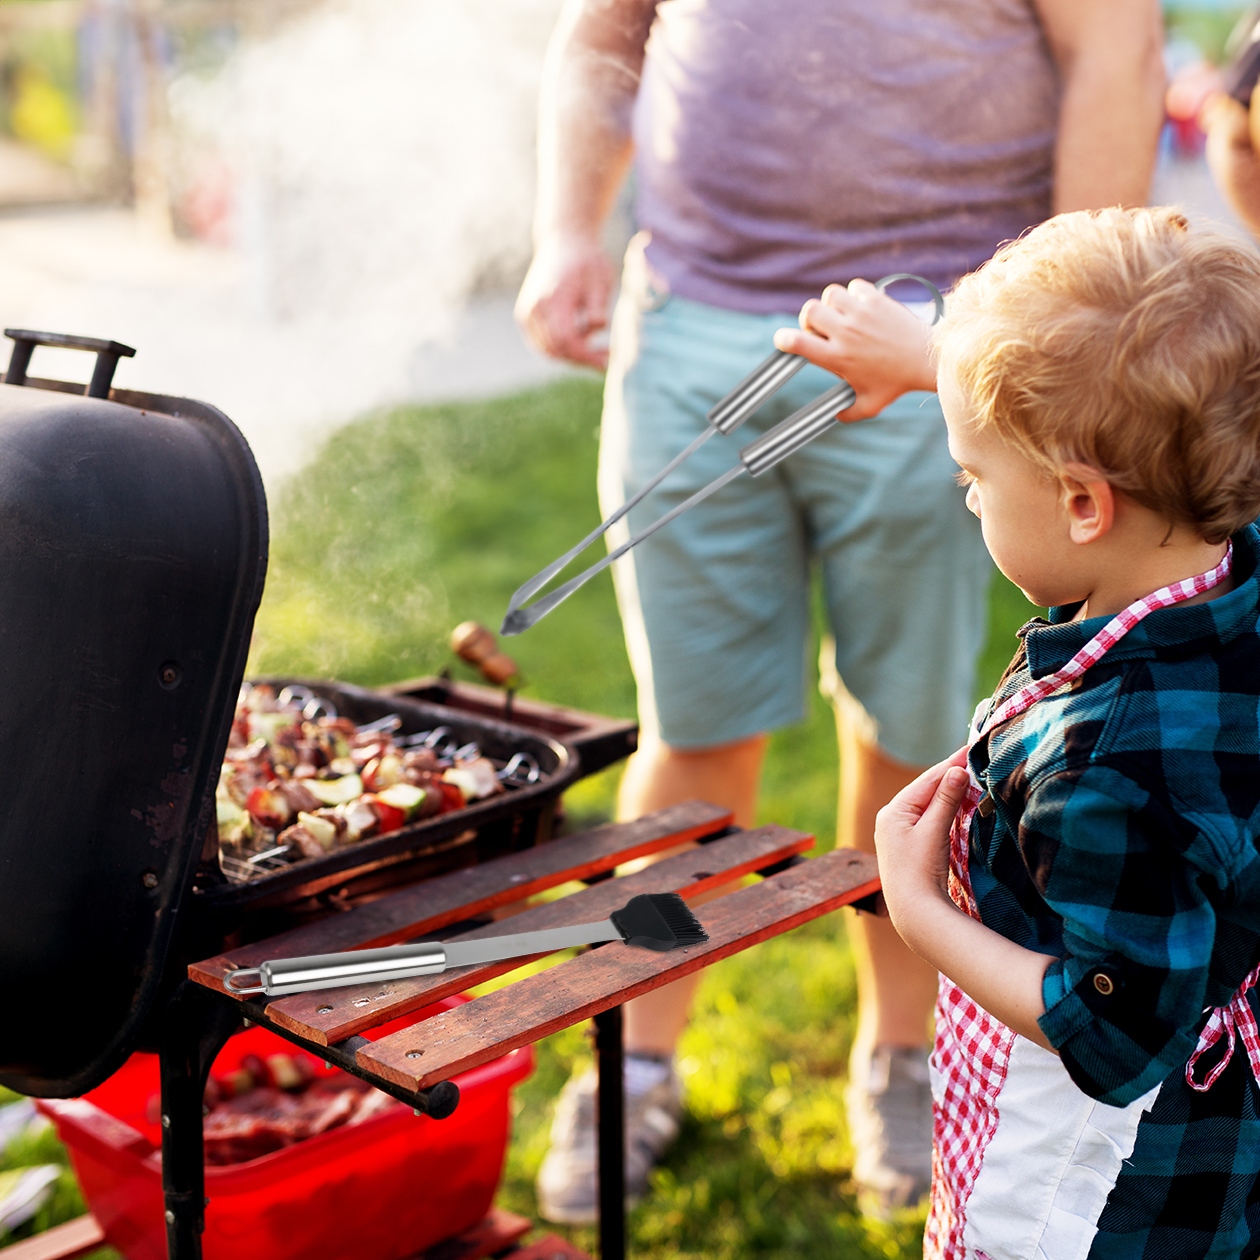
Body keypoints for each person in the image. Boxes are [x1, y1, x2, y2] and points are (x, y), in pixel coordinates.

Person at [515, 0, 1165, 1220]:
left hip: (941, 338)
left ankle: (904, 1058)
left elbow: (1112, 51)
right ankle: (636, 1058)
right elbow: (605, 29)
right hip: (690, 316)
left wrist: (1039, 339)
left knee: (906, 733)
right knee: (691, 735)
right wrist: (564, 230)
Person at [874, 206, 1260, 1258]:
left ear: (1084, 503)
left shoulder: (1113, 761)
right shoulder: (1229, 571)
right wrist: (936, 361)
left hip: (1093, 1186)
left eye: (974, 479)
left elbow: (1113, 1030)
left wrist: (919, 915)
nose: (970, 498)